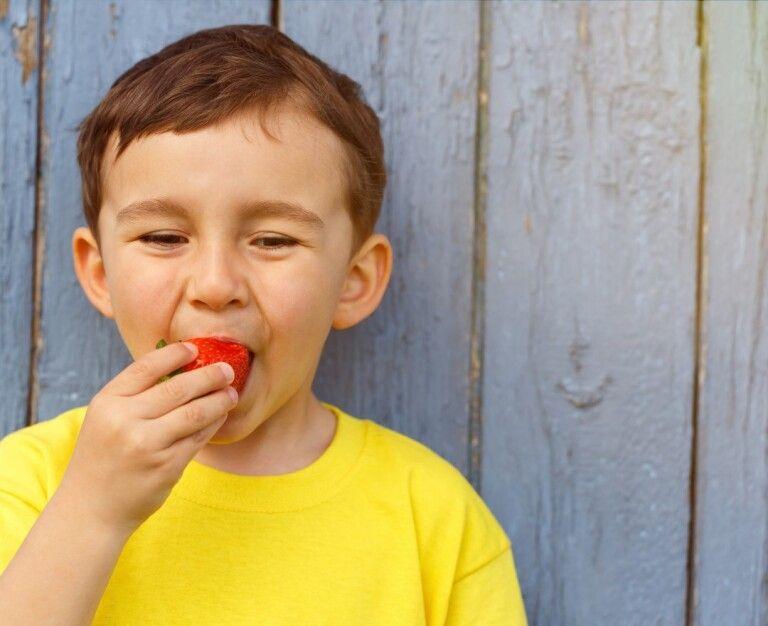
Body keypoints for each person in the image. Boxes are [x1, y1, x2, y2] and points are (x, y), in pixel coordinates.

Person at [0, 24, 527, 625]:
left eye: (273, 240)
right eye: (165, 237)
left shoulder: (433, 518)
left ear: (353, 281)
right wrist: (92, 513)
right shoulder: (34, 484)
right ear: (99, 274)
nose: (216, 285)